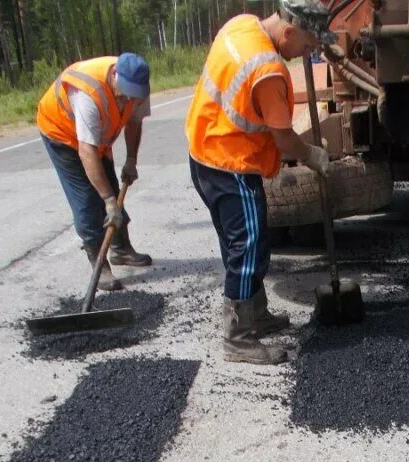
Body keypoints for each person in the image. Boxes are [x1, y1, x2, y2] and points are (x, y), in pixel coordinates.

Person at [185, 0, 335, 365]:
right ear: (288, 32)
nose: (306, 54)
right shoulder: (266, 69)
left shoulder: (242, 25)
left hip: (205, 152)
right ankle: (238, 338)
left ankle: (256, 314)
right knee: (249, 247)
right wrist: (312, 154)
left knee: (241, 243)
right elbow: (284, 139)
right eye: (306, 46)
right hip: (230, 164)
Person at [37, 53, 154, 292]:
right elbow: (86, 152)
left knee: (110, 184)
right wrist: (109, 201)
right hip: (62, 134)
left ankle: (121, 249)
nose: (128, 99)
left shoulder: (139, 88)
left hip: (97, 137)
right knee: (88, 201)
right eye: (125, 93)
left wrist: (131, 159)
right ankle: (99, 266)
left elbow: (134, 122)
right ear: (114, 76)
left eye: (133, 95)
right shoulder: (88, 94)